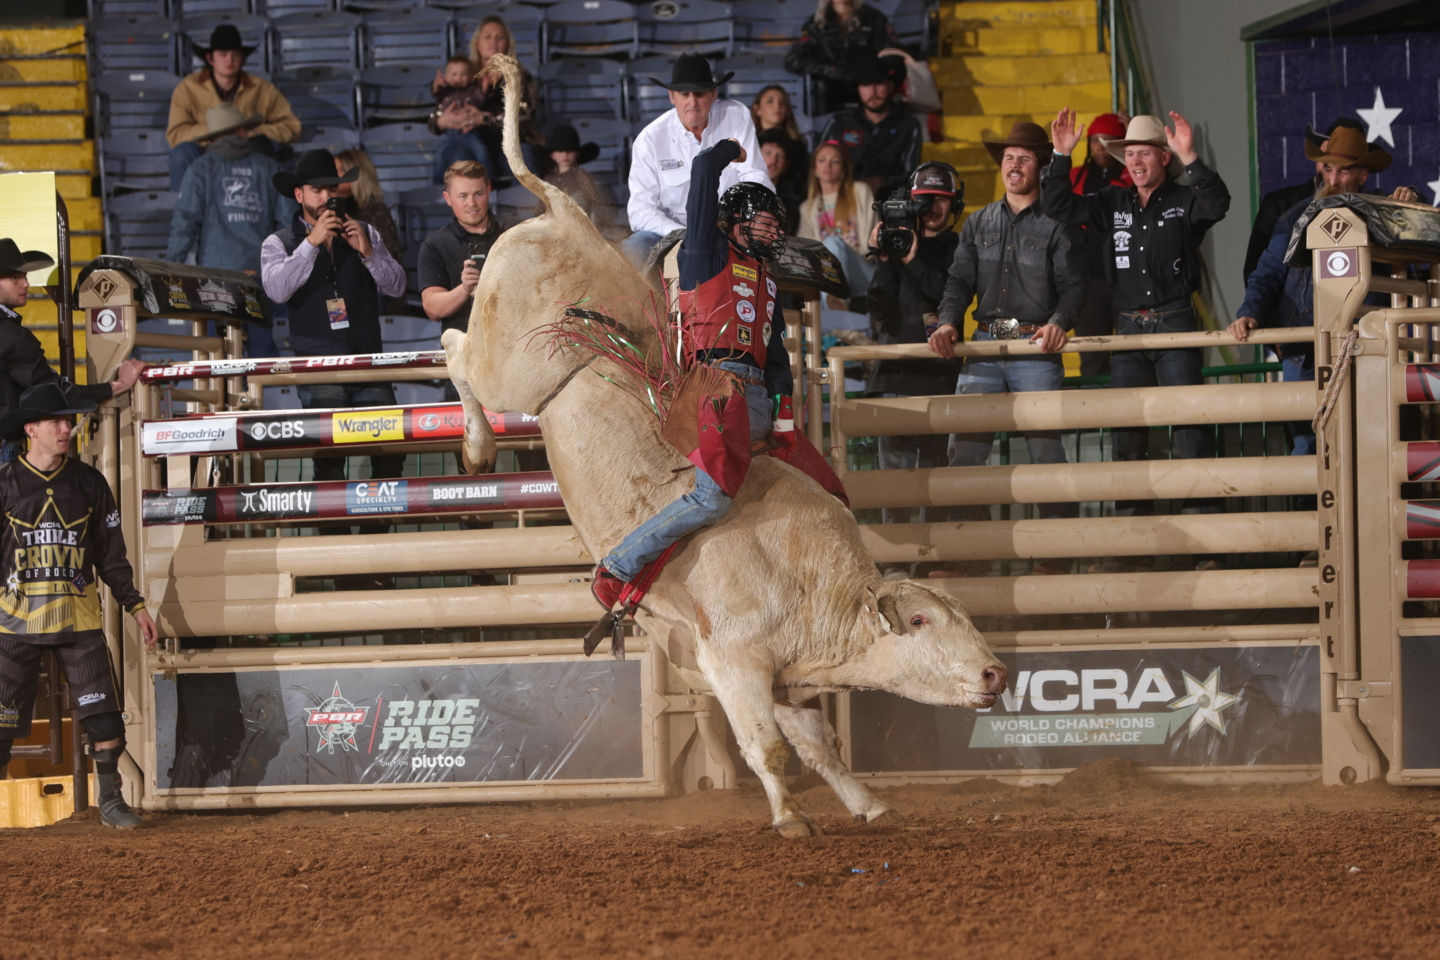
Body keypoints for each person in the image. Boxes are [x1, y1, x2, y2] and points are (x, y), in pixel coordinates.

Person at [593, 140, 792, 606]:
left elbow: (776, 351)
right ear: (736, 222)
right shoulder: (706, 253)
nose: (772, 231)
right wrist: (723, 153)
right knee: (712, 498)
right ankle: (618, 565)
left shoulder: (767, 278)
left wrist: (783, 417)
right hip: (716, 387)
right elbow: (702, 173)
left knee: (794, 488)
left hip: (758, 397)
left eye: (775, 225)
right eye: (763, 222)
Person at [1044, 109, 1230, 572]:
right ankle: (1133, 546)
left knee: (1191, 430)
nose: (1135, 160)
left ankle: (1204, 545)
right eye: (1129, 153)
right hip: (1128, 327)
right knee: (1126, 434)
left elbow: (1218, 204)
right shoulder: (1112, 201)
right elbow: (1058, 206)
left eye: (1144, 152)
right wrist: (1061, 155)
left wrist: (1193, 158)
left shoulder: (1184, 199)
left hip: (1174, 321)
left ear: (1163, 157)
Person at [1228, 126, 1416, 557]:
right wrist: (1249, 311)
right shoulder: (1295, 216)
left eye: (1343, 171)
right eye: (1328, 168)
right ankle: (1315, 544)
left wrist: (1411, 206)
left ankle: (1370, 545)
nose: (1332, 178)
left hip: (1363, 350)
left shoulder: (1386, 212)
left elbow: (1417, 254)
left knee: (1369, 442)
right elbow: (1268, 273)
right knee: (1309, 446)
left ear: (1362, 176)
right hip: (1307, 349)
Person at [928, 122, 1085, 576]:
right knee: (965, 452)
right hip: (984, 343)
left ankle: (1055, 561)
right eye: (1008, 158)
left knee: (1045, 452)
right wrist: (947, 321)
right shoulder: (978, 222)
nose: (1014, 166)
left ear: (1040, 166)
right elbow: (958, 281)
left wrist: (1058, 323)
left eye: (1025, 158)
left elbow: (1075, 288)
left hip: (1034, 343)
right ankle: (967, 557)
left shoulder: (1058, 223)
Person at [0, 382, 159, 828]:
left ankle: (110, 801)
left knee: (106, 720)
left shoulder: (90, 482)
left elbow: (111, 552)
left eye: (69, 421)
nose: (66, 428)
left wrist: (136, 605)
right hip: (14, 625)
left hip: (79, 620)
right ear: (31, 429)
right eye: (57, 421)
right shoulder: (5, 482)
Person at [259, 149, 408, 528]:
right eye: (317, 189)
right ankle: (335, 553)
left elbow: (398, 285)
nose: (327, 196)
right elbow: (276, 290)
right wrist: (310, 244)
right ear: (300, 195)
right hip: (319, 368)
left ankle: (376, 543)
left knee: (389, 455)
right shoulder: (278, 241)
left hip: (368, 363)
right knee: (328, 462)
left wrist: (370, 253)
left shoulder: (365, 231)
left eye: (330, 188)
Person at [865, 162, 963, 574]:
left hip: (940, 376)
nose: (934, 207)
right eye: (926, 199)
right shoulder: (894, 240)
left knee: (937, 482)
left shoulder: (958, 245)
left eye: (942, 199)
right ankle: (897, 568)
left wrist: (911, 256)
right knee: (896, 483)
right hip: (893, 377)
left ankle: (937, 565)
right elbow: (877, 309)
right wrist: (886, 257)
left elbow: (946, 296)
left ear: (954, 203)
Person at [624, 54, 772, 270]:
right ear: (672, 96)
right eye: (685, 94)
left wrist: (752, 218)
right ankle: (646, 304)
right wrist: (684, 235)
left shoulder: (736, 115)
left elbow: (755, 176)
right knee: (637, 245)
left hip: (729, 231)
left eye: (700, 93)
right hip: (672, 236)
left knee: (762, 233)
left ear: (714, 93)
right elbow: (639, 210)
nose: (692, 103)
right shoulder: (650, 139)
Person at [0, 241, 144, 463]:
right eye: (15, 278)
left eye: (25, 276)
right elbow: (54, 392)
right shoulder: (11, 337)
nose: (26, 283)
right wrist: (118, 386)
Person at [166, 24, 300, 192]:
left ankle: (271, 211)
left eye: (236, 54)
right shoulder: (187, 88)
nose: (229, 60)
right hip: (205, 150)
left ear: (242, 58)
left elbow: (292, 127)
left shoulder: (262, 89)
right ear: (210, 59)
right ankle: (182, 211)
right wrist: (216, 133)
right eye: (223, 55)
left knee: (272, 148)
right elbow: (176, 133)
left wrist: (255, 133)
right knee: (182, 154)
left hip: (247, 150)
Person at [166, 104, 297, 274]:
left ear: (212, 139)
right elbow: (289, 225)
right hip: (263, 274)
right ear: (242, 131)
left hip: (216, 276)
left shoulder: (200, 168)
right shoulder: (271, 168)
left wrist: (169, 267)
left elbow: (184, 224)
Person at [1241, 117, 1369, 283]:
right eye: (1329, 160)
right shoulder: (1282, 206)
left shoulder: (1370, 210)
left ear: (1362, 175)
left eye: (1343, 167)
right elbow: (1258, 274)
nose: (1334, 179)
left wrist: (1412, 194)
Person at [429, 16, 542, 184]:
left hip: (512, 143)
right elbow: (438, 113)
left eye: (500, 37)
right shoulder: (463, 75)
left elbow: (526, 116)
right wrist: (440, 121)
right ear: (477, 43)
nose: (493, 42)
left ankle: (526, 209)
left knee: (522, 161)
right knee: (458, 158)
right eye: (487, 36)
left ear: (508, 44)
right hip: (472, 141)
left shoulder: (520, 76)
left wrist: (485, 118)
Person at [1066, 112, 1131, 377]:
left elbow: (1165, 166)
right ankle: (1096, 419)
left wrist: (1134, 130)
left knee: (1132, 359)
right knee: (1092, 360)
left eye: (1109, 140)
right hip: (1088, 281)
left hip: (1126, 281)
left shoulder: (1133, 175)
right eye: (1096, 140)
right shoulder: (1073, 176)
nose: (1101, 146)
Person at [817, 53, 923, 201]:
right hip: (841, 199)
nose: (872, 92)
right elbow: (817, 164)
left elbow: (910, 174)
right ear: (858, 90)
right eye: (866, 85)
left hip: (888, 204)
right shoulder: (840, 122)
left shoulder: (908, 126)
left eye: (878, 84)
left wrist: (880, 181)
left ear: (890, 86)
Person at [784, 0, 902, 115]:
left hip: (868, 83)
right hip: (833, 87)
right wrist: (829, 70)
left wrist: (870, 73)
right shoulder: (815, 25)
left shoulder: (873, 18)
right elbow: (794, 60)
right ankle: (827, 129)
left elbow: (894, 55)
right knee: (822, 86)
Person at [797, 140, 877, 301]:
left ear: (843, 169)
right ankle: (834, 304)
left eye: (835, 161)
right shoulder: (808, 207)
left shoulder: (860, 191)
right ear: (815, 169)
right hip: (827, 276)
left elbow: (872, 245)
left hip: (863, 271)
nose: (828, 165)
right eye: (822, 160)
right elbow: (807, 253)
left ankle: (835, 299)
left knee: (832, 243)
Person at [541, 125, 619, 229]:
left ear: (578, 153)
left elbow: (594, 199)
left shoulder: (582, 176)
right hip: (553, 227)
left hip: (578, 227)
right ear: (552, 155)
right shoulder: (548, 179)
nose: (565, 154)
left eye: (570, 150)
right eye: (560, 150)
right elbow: (540, 207)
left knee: (579, 198)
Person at [750, 85, 808, 182]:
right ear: (757, 109)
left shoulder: (799, 144)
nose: (777, 106)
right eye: (770, 101)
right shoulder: (747, 142)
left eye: (783, 103)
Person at [757, 128, 803, 229]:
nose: (773, 161)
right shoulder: (737, 192)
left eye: (780, 156)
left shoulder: (792, 204)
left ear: (787, 164)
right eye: (768, 153)